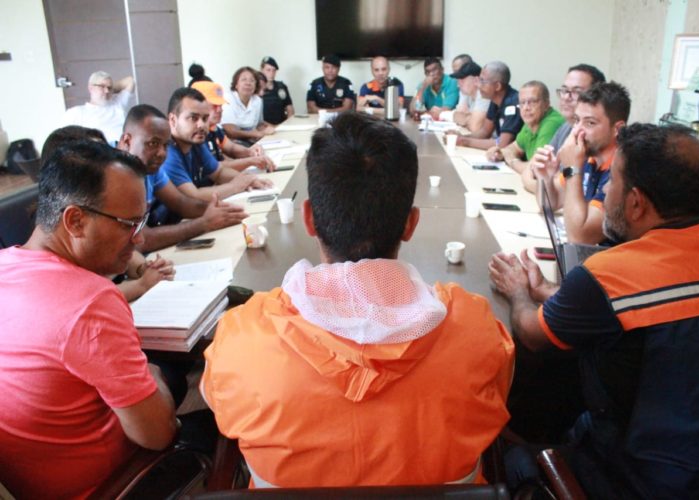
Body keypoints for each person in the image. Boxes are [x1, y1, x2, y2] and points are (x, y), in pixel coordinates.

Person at [202, 112, 515, 488]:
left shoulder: (242, 336)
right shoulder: (476, 329)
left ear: (309, 219)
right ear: (411, 224)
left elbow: (217, 401)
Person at [489, 123, 699, 499]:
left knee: (513, 458)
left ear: (636, 203)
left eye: (612, 181)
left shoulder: (612, 272)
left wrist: (518, 292)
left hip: (644, 482)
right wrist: (549, 292)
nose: (607, 188)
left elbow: (532, 334)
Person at [0, 141, 177, 498]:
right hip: (111, 486)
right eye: (129, 224)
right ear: (75, 221)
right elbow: (158, 435)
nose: (140, 237)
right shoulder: (91, 302)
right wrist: (153, 374)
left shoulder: (6, 264)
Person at [40, 124, 175, 300]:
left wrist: (143, 269)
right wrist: (142, 285)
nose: (110, 165)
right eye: (95, 158)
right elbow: (86, 296)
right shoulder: (52, 236)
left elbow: (124, 251)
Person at [118, 104, 248, 252]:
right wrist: (204, 223)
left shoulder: (149, 167)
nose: (161, 153)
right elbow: (142, 240)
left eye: (165, 145)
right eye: (153, 143)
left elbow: (181, 203)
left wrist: (224, 211)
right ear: (127, 141)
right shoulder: (114, 176)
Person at [532, 82, 630, 245]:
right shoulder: (588, 157)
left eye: (590, 123)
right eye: (577, 120)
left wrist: (573, 169)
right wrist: (545, 177)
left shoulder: (623, 170)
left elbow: (580, 237)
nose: (577, 130)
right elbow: (548, 205)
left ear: (617, 129)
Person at [161, 87, 272, 204]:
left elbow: (219, 173)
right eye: (193, 118)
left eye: (205, 118)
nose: (201, 125)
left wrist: (248, 180)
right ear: (173, 120)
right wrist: (235, 186)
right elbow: (193, 197)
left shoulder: (195, 142)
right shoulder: (166, 153)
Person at [493, 81, 565, 192]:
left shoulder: (551, 123)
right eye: (522, 103)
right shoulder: (531, 121)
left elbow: (536, 169)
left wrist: (512, 161)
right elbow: (512, 148)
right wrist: (499, 153)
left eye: (532, 102)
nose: (526, 108)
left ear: (546, 104)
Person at [192, 81, 276, 172]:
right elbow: (214, 166)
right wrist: (250, 161)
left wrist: (250, 151)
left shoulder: (214, 128)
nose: (219, 110)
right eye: (214, 106)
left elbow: (231, 148)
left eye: (220, 105)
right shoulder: (196, 136)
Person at [454, 61, 522, 152]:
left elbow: (503, 144)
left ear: (497, 86)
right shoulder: (495, 100)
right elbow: (485, 132)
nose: (478, 85)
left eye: (482, 81)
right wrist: (460, 137)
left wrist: (465, 142)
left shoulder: (512, 104)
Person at [62, 70, 135, 144]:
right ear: (90, 88)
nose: (107, 91)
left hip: (123, 146)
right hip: (98, 148)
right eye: (102, 86)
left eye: (109, 87)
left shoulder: (118, 104)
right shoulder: (76, 112)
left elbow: (130, 81)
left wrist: (110, 90)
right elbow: (62, 138)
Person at [222, 67, 276, 144]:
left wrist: (273, 128)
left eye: (252, 80)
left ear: (256, 86)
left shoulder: (257, 100)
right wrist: (256, 134)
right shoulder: (228, 98)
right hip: (231, 142)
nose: (248, 83)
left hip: (251, 140)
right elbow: (230, 131)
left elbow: (259, 124)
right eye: (244, 79)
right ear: (236, 85)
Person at [449, 60, 491, 133]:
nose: (458, 85)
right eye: (458, 80)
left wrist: (465, 119)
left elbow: (474, 127)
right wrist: (469, 119)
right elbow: (456, 116)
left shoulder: (483, 95)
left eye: (462, 80)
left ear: (476, 80)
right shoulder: (468, 94)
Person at [260, 56, 294, 124]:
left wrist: (288, 124)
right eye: (268, 70)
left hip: (282, 126)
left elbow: (290, 109)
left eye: (274, 70)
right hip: (264, 127)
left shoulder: (281, 87)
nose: (271, 73)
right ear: (262, 70)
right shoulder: (257, 89)